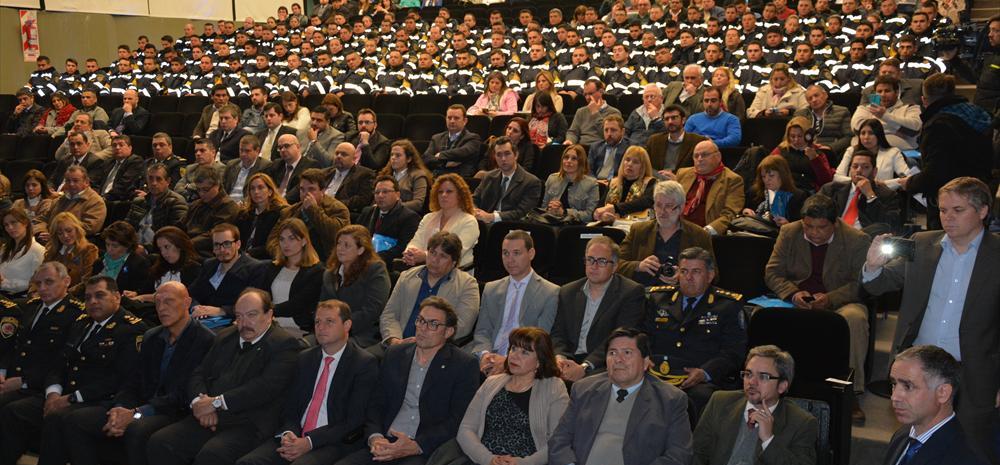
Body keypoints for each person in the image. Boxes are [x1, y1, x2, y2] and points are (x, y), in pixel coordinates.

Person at [862, 177, 999, 462]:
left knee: (974, 449)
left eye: (958, 210)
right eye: (943, 210)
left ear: (983, 211)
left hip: (974, 373)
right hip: (919, 373)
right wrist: (873, 267)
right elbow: (879, 284)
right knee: (914, 447)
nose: (947, 218)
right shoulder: (922, 244)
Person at [60, 282, 215, 465]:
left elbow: (182, 393)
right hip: (141, 406)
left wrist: (135, 413)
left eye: (169, 302)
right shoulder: (152, 336)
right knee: (76, 420)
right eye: (158, 303)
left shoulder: (205, 340)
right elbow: (133, 380)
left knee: (137, 429)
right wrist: (120, 408)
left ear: (187, 302)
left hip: (174, 411)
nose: (162, 308)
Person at [146, 288, 304, 465]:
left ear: (269, 315)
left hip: (248, 423)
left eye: (252, 315)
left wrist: (215, 403)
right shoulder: (226, 336)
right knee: (161, 441)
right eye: (239, 316)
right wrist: (199, 403)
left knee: (213, 454)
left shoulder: (284, 344)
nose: (244, 323)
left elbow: (264, 388)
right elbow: (199, 373)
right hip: (209, 415)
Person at [0, 276, 146, 465]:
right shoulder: (82, 322)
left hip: (97, 400)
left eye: (99, 296)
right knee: (15, 410)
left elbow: (119, 379)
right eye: (87, 297)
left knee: (59, 419)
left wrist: (71, 398)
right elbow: (59, 363)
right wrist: (53, 393)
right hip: (65, 394)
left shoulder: (130, 329)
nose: (92, 302)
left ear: (117, 297)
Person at [334, 296, 479, 465]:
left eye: (433, 324)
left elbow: (457, 419)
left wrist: (417, 445)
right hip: (384, 441)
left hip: (422, 448)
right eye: (420, 320)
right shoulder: (395, 354)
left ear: (448, 332)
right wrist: (375, 437)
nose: (423, 328)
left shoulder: (464, 364)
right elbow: (375, 402)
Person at [236, 299, 380, 465]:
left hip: (332, 442)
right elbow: (290, 406)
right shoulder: (305, 358)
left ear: (347, 325)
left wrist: (310, 442)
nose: (321, 327)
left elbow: (354, 420)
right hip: (296, 435)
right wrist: (288, 432)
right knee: (248, 462)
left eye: (329, 321)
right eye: (317, 321)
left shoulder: (363, 364)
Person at [764, 194, 871, 414]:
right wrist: (793, 294)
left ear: (835, 223)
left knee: (855, 319)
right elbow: (772, 273)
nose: (813, 233)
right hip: (796, 299)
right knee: (762, 317)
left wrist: (830, 298)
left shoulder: (856, 239)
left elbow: (859, 284)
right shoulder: (789, 232)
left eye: (821, 227)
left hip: (838, 301)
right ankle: (768, 383)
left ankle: (850, 392)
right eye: (808, 226)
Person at [548, 327, 693, 465]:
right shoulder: (584, 389)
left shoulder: (670, 399)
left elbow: (678, 455)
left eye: (627, 353)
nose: (618, 359)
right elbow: (559, 440)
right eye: (612, 353)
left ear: (646, 362)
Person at [643, 247, 747, 416]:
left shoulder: (727, 305)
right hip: (657, 373)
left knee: (700, 398)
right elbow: (644, 336)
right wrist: (643, 357)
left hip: (699, 381)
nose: (688, 278)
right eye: (684, 271)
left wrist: (704, 373)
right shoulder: (659, 299)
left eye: (696, 272)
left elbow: (733, 352)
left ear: (710, 275)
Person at [455, 327, 570, 464]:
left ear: (539, 361)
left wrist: (523, 463)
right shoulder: (491, 382)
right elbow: (466, 429)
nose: (514, 356)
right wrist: (489, 459)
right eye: (513, 349)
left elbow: (558, 440)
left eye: (525, 352)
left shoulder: (554, 387)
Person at [692, 345, 818, 465]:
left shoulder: (802, 423)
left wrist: (768, 440)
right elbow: (696, 453)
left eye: (763, 376)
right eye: (748, 374)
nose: (751, 382)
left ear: (782, 386)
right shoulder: (719, 402)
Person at [902, 74, 993, 230]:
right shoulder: (978, 114)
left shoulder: (938, 125)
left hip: (950, 200)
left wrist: (910, 183)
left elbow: (936, 171)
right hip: (978, 195)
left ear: (924, 100)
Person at [550, 236, 645, 382]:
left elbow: (620, 339)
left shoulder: (630, 292)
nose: (594, 266)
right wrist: (560, 359)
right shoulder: (568, 291)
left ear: (614, 266)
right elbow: (558, 333)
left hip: (603, 364)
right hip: (568, 361)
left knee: (586, 386)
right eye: (590, 260)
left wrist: (584, 367)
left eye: (601, 261)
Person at [470, 230, 560, 375]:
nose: (510, 259)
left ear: (531, 254)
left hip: (523, 362)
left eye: (516, 253)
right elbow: (482, 331)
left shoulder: (550, 292)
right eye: (505, 253)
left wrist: (506, 361)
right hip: (489, 358)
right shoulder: (491, 289)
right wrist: (486, 355)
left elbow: (540, 340)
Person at [882, 345, 989, 465]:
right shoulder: (902, 436)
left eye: (908, 386)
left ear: (943, 393)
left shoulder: (967, 457)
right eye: (894, 384)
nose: (894, 397)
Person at [0, 263, 84, 411]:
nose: (42, 288)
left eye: (49, 282)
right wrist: (2, 372)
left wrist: (24, 381)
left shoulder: (77, 314)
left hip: (42, 386)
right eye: (38, 283)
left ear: (67, 281)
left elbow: (62, 360)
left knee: (12, 409)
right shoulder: (31, 307)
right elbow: (13, 345)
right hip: (11, 379)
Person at [382, 231, 480, 345]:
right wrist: (395, 340)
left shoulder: (467, 285)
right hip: (398, 343)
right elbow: (389, 314)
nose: (435, 260)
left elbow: (463, 326)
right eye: (432, 253)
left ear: (454, 262)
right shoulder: (407, 277)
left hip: (437, 349)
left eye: (443, 256)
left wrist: (427, 343)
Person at [618, 180, 713, 286]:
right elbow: (615, 263)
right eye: (658, 205)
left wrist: (685, 275)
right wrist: (638, 266)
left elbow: (712, 274)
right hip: (643, 293)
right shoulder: (639, 230)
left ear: (681, 208)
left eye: (668, 206)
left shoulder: (698, 235)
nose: (662, 212)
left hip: (680, 295)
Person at [320, 225, 391, 348]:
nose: (340, 249)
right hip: (329, 331)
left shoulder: (375, 270)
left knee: (337, 350)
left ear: (361, 250)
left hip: (362, 333)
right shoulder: (329, 274)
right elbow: (323, 306)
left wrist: (340, 327)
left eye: (346, 245)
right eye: (339, 243)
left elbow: (372, 310)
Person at [253, 218, 324, 334]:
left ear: (304, 241)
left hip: (297, 329)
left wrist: (264, 311)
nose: (286, 244)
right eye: (282, 239)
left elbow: (297, 305)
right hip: (268, 324)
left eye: (291, 239)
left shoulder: (317, 271)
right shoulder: (273, 267)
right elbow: (262, 295)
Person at [188, 224, 265, 321]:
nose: (222, 250)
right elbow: (191, 294)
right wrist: (196, 307)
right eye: (217, 245)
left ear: (238, 244)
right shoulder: (209, 264)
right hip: (202, 319)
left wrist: (222, 311)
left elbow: (255, 305)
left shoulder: (255, 268)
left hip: (233, 322)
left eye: (227, 244)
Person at [403, 174, 480, 269]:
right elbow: (416, 241)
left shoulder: (469, 221)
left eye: (449, 192)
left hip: (456, 274)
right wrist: (410, 253)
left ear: (460, 195)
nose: (443, 195)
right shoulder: (428, 217)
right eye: (440, 192)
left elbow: (456, 253)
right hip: (423, 268)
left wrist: (425, 256)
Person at [819, 149, 901, 236]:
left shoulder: (888, 195)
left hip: (864, 238)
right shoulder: (831, 189)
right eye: (855, 166)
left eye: (865, 167)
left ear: (874, 172)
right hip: (831, 235)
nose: (858, 170)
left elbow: (889, 224)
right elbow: (814, 211)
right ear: (850, 169)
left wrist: (870, 196)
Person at [276, 168, 351, 262]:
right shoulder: (289, 211)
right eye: (302, 189)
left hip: (323, 261)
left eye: (311, 189)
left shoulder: (338, 209)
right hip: (292, 259)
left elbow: (336, 235)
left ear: (323, 191)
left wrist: (313, 210)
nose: (305, 194)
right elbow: (273, 239)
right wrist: (282, 255)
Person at [676, 140, 746, 235]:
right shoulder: (683, 174)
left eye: (704, 155)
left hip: (707, 233)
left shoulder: (732, 180)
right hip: (677, 228)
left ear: (718, 157)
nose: (699, 159)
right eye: (696, 156)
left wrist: (707, 232)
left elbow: (729, 214)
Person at [471, 136, 543, 224]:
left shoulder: (531, 182)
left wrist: (491, 217)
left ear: (516, 155)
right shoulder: (489, 177)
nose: (503, 159)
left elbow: (521, 212)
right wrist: (475, 211)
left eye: (507, 153)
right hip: (485, 224)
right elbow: (474, 199)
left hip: (511, 227)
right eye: (499, 155)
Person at [122, 227, 202, 305]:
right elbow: (146, 289)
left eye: (167, 247)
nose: (163, 253)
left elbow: (181, 299)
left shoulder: (193, 269)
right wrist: (135, 293)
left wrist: (144, 297)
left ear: (180, 245)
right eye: (160, 249)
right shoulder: (159, 266)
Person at [356, 176, 421, 264]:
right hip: (363, 258)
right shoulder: (367, 212)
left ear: (397, 195)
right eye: (377, 192)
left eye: (385, 192)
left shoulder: (409, 217)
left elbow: (403, 248)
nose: (380, 195)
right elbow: (356, 236)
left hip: (387, 263)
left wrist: (373, 258)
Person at [850, 75, 922, 151]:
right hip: (865, 154)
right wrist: (897, 130)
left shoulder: (911, 108)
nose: (883, 95)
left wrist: (884, 116)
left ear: (897, 92)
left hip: (902, 155)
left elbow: (914, 130)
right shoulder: (864, 109)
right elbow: (857, 128)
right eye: (879, 91)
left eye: (887, 91)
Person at [835, 119, 910, 191]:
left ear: (879, 135)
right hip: (854, 194)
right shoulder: (851, 151)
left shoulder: (893, 152)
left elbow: (908, 177)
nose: (866, 137)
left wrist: (882, 183)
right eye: (863, 133)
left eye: (871, 133)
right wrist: (859, 182)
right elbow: (837, 177)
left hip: (883, 195)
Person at [126, 163, 189, 247]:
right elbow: (126, 228)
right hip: (133, 247)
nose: (154, 183)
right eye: (150, 178)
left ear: (168, 181)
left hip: (159, 250)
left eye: (158, 179)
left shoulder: (176, 202)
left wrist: (146, 249)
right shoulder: (139, 201)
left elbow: (176, 236)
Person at [183, 165, 240, 255]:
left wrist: (185, 244)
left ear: (217, 185)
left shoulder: (228, 207)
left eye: (206, 189)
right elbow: (181, 226)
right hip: (189, 247)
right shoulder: (195, 205)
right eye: (198, 189)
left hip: (210, 252)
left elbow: (216, 235)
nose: (201, 193)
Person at [592, 146, 658, 224]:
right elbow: (598, 208)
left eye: (635, 162)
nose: (630, 164)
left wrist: (615, 208)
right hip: (610, 225)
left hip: (634, 227)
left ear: (643, 167)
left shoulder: (650, 182)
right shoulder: (613, 182)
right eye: (627, 160)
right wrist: (601, 215)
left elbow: (645, 202)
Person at [769, 117, 835, 192]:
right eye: (792, 136)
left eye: (800, 136)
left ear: (808, 136)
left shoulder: (817, 152)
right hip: (785, 189)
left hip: (807, 191)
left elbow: (826, 181)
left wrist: (815, 159)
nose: (796, 140)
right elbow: (767, 168)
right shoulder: (781, 150)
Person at [42, 212, 99, 296]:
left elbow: (88, 281)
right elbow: (40, 276)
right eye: (60, 233)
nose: (65, 236)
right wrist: (34, 293)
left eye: (69, 231)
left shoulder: (89, 250)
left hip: (73, 297)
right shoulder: (52, 252)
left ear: (77, 230)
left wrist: (63, 295)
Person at [742, 155, 809, 227]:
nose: (766, 180)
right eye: (763, 176)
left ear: (783, 175)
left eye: (771, 175)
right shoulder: (754, 192)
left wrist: (787, 225)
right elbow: (741, 210)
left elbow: (801, 226)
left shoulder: (798, 196)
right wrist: (745, 211)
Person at [541, 144, 601, 223]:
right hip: (552, 222)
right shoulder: (552, 178)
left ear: (581, 162)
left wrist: (565, 212)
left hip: (575, 226)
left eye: (574, 159)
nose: (568, 161)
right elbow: (543, 207)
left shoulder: (591, 184)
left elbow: (590, 215)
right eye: (566, 157)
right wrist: (550, 208)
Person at [45, 165, 108, 240]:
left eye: (75, 181)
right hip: (49, 239)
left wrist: (57, 234)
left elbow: (90, 228)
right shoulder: (61, 199)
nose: (71, 184)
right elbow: (43, 218)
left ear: (86, 182)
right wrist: (41, 231)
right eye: (68, 181)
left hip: (74, 243)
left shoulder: (96, 202)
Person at [234, 173, 287, 259]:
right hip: (241, 255)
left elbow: (275, 243)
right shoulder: (244, 214)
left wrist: (250, 254)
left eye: (260, 188)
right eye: (252, 189)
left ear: (270, 191)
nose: (256, 192)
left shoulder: (280, 212)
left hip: (264, 258)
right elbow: (235, 237)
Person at [92, 221, 153, 297]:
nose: (109, 249)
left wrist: (135, 293)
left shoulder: (139, 264)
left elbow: (142, 291)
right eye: (107, 244)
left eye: (115, 246)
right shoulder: (99, 262)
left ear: (127, 246)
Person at [421, 105, 483, 178]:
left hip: (461, 179)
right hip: (437, 178)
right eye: (449, 118)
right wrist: (447, 162)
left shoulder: (473, 138)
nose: (452, 121)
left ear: (465, 121)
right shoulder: (436, 138)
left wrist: (440, 155)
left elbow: (462, 152)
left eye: (456, 118)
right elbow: (426, 158)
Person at [792, 85, 853, 159]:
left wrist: (830, 147)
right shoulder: (800, 114)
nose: (814, 100)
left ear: (825, 95)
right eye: (810, 98)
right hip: (805, 152)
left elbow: (848, 137)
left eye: (816, 95)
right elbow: (791, 136)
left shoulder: (842, 111)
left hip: (831, 153)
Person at [646, 105, 708, 175]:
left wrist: (677, 177)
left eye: (674, 118)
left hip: (685, 182)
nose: (670, 122)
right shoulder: (654, 141)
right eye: (666, 119)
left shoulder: (697, 141)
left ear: (683, 120)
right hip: (658, 181)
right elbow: (646, 165)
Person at [98, 135, 146, 221]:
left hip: (116, 200)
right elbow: (97, 182)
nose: (117, 147)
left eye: (121, 145)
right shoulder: (108, 162)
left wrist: (104, 198)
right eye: (114, 145)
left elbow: (124, 185)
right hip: (100, 198)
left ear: (130, 148)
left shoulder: (135, 161)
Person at [323, 142, 376, 220]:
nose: (338, 156)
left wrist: (333, 205)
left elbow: (363, 200)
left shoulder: (365, 174)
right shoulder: (324, 173)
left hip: (342, 214)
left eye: (344, 154)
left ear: (354, 158)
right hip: (320, 209)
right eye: (337, 153)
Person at [0, 208, 45, 297]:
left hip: (19, 299)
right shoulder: (5, 248)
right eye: (6, 225)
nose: (10, 228)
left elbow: (35, 283)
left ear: (25, 223)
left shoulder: (38, 250)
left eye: (13, 222)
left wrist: (4, 283)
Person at [264, 133, 321, 204]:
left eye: (286, 146)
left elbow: (298, 191)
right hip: (272, 203)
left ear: (298, 146)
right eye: (280, 148)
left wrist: (280, 202)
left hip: (291, 206)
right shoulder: (277, 164)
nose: (283, 150)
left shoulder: (310, 165)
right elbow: (267, 183)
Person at [565, 79, 623, 146]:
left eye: (590, 94)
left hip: (602, 148)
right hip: (582, 149)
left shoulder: (613, 112)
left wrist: (595, 113)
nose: (587, 97)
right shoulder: (581, 111)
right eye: (585, 94)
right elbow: (573, 132)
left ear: (601, 91)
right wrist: (570, 140)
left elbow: (608, 135)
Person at [381, 140, 433, 214]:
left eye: (398, 155)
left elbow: (418, 204)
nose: (393, 158)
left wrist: (392, 206)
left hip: (407, 216)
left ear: (409, 159)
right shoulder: (385, 174)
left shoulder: (418, 175)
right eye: (391, 155)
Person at [175, 138, 226, 203]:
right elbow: (177, 188)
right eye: (196, 151)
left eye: (202, 150)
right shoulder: (190, 168)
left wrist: (188, 186)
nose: (198, 154)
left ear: (213, 152)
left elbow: (210, 189)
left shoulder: (221, 169)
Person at [224, 135, 272, 202]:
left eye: (247, 151)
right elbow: (223, 188)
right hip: (228, 203)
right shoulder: (231, 164)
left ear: (257, 151)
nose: (243, 154)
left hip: (247, 204)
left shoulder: (265, 166)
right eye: (241, 150)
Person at [587, 115, 629, 183]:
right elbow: (588, 170)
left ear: (622, 131)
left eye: (613, 130)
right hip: (596, 183)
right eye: (606, 130)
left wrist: (614, 182)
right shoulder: (595, 147)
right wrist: (595, 182)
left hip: (617, 184)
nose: (609, 134)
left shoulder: (630, 148)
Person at [12, 170, 56, 234]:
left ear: (42, 186)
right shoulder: (18, 203)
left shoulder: (47, 203)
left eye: (34, 185)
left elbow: (40, 222)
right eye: (27, 185)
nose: (30, 188)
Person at [973, 15, 1000, 111]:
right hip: (981, 113)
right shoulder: (991, 56)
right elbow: (975, 79)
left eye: (996, 31)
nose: (990, 34)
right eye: (990, 30)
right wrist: (954, 59)